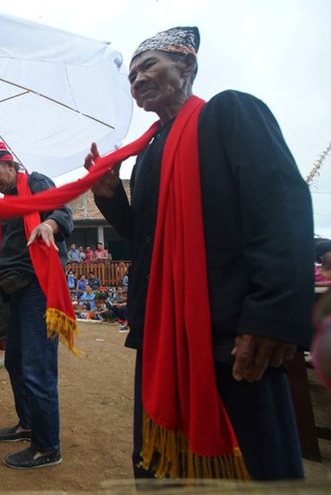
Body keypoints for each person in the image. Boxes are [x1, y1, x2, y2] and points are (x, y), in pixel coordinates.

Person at [85, 26, 313, 480]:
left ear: (186, 66)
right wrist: (112, 198)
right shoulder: (147, 153)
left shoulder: (229, 114)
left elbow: (280, 211)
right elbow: (146, 238)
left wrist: (270, 315)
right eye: (131, 76)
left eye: (147, 66)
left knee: (253, 465)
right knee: (161, 467)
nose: (137, 80)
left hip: (230, 335)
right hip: (161, 334)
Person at [0, 140, 73, 470]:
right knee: (14, 362)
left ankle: (47, 446)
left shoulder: (37, 183)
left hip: (38, 287)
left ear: (11, 166)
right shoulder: (9, 204)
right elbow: (13, 247)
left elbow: (62, 211)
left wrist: (48, 225)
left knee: (37, 368)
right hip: (15, 289)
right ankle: (28, 423)